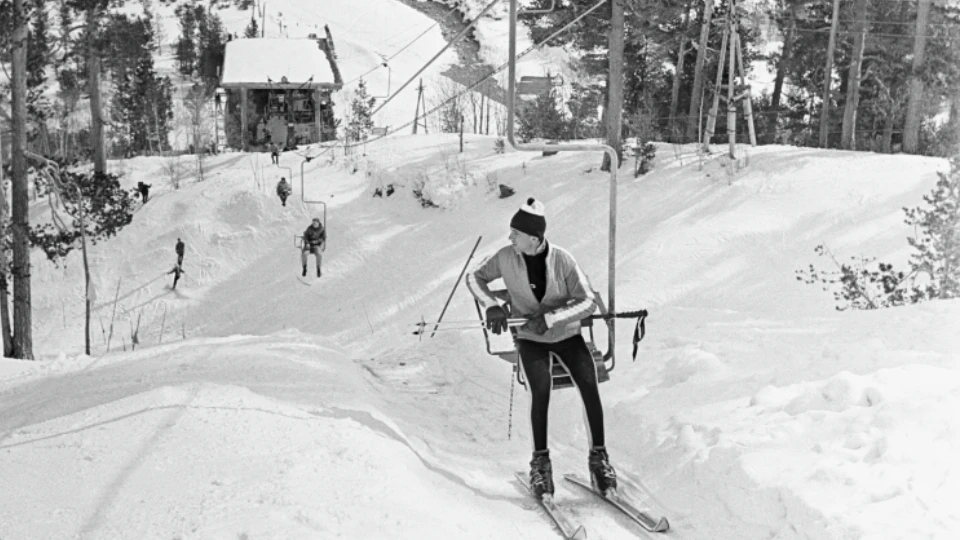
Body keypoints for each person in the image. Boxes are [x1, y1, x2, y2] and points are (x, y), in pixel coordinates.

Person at [466, 197, 616, 499]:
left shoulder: (563, 260)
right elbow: (474, 277)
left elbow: (586, 301)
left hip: (567, 335)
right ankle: (540, 461)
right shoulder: (506, 257)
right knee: (540, 389)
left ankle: (599, 458)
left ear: (534, 238)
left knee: (589, 384)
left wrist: (550, 318)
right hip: (530, 339)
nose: (510, 238)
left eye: (515, 234)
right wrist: (492, 306)